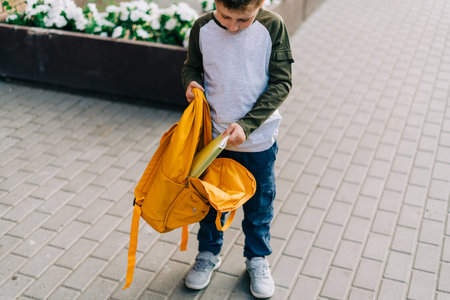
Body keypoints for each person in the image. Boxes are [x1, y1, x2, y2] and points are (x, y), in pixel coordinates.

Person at [181, 0, 293, 297]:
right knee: (210, 203)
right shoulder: (202, 27)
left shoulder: (273, 26)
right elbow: (191, 67)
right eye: (224, 15)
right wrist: (191, 84)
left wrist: (248, 124)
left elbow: (282, 83)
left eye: (242, 19)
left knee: (258, 206)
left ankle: (257, 258)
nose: (232, 26)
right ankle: (208, 254)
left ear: (260, 4)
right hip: (213, 142)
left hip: (257, 141)